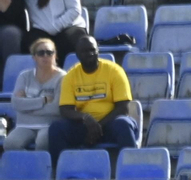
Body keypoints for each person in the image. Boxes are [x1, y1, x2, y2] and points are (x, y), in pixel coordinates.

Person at [49, 33, 139, 162]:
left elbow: (123, 108)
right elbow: (65, 110)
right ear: (77, 54)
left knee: (123, 124)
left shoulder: (114, 71)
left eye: (92, 50)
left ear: (98, 51)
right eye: (85, 51)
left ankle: (131, 169)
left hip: (110, 123)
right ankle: (61, 173)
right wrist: (86, 118)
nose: (90, 53)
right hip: (84, 126)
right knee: (56, 128)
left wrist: (98, 128)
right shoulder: (71, 76)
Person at [4, 39, 63, 152]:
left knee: (43, 143)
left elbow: (56, 108)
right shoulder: (24, 76)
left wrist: (26, 106)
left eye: (49, 52)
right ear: (34, 57)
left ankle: (43, 169)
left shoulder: (62, 78)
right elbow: (16, 104)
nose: (45, 56)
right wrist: (43, 100)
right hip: (24, 125)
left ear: (55, 55)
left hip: (48, 125)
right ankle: (25, 168)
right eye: (41, 53)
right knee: (10, 144)